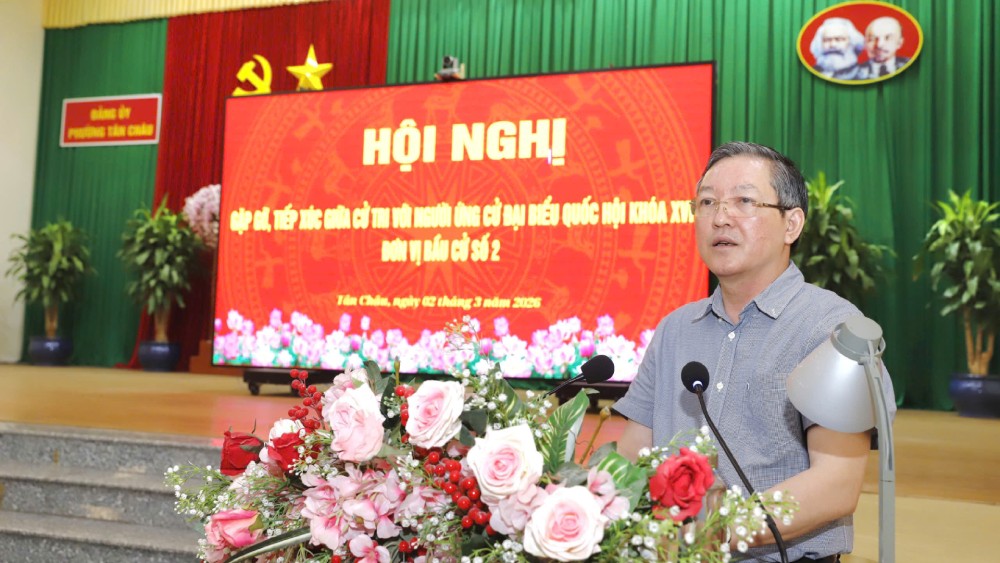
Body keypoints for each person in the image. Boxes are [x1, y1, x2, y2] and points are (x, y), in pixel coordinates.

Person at [613, 141, 896, 562]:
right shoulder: (676, 328)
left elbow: (836, 484)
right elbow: (634, 451)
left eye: (743, 201)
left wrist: (714, 530)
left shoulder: (830, 327)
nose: (720, 217)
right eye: (706, 202)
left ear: (791, 224)